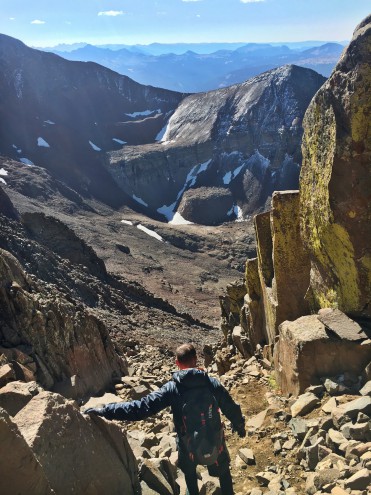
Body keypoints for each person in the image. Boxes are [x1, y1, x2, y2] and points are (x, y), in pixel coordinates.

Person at [85, 343, 246, 495]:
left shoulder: (172, 388)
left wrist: (105, 410)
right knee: (224, 473)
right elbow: (230, 406)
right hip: (215, 440)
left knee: (190, 477)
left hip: (187, 447)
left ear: (177, 363)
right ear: (196, 360)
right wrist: (239, 426)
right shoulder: (211, 383)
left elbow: (140, 408)